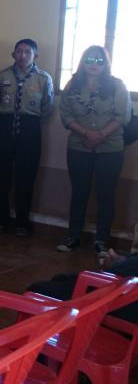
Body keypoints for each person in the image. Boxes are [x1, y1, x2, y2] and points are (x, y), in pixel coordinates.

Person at [56, 45, 131, 257]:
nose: (94, 64)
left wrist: (100, 135)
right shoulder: (72, 85)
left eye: (99, 61)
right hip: (79, 147)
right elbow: (66, 116)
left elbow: (122, 116)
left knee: (105, 195)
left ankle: (102, 241)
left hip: (110, 149)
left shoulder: (117, 86)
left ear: (106, 64)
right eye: (90, 59)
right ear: (83, 61)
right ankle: (73, 237)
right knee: (79, 193)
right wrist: (87, 133)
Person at [0, 39, 54, 236]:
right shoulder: (2, 76)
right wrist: (7, 118)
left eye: (27, 52)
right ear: (13, 54)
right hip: (5, 126)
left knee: (26, 176)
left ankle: (22, 222)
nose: (23, 55)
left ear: (35, 56)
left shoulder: (44, 78)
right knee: (1, 175)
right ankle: (0, 219)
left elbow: (48, 108)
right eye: (19, 51)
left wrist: (29, 123)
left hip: (30, 128)